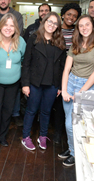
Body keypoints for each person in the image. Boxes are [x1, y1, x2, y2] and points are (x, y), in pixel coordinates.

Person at [60, 15, 94, 167]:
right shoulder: (75, 45)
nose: (84, 28)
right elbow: (67, 69)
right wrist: (65, 90)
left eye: (87, 25)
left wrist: (80, 92)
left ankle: (75, 153)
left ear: (93, 26)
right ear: (78, 29)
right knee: (68, 121)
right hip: (71, 82)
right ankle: (72, 149)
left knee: (75, 123)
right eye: (81, 26)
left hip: (86, 86)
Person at [21, 12, 66, 151]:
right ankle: (26, 137)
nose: (51, 25)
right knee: (31, 111)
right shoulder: (33, 38)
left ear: (58, 26)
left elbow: (62, 66)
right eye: (49, 21)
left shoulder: (59, 41)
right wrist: (25, 84)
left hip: (52, 84)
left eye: (55, 23)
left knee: (46, 112)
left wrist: (59, 86)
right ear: (44, 22)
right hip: (35, 82)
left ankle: (43, 136)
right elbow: (26, 63)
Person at [0, 13, 26, 148]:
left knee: (7, 111)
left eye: (12, 25)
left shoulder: (21, 42)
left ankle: (2, 136)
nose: (8, 28)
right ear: (0, 26)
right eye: (6, 25)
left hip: (13, 84)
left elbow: (23, 61)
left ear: (15, 27)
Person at [51, 2, 82, 144]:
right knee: (57, 104)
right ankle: (57, 133)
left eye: (74, 16)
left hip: (72, 73)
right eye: (69, 14)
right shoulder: (56, 31)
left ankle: (66, 132)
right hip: (56, 71)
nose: (71, 17)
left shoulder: (78, 32)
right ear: (63, 14)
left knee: (68, 104)